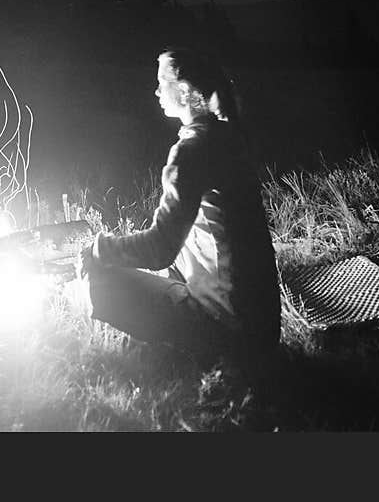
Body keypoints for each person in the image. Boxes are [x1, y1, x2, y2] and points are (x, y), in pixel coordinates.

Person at [79, 47, 280, 362]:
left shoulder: (191, 152)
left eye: (162, 82)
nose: (157, 90)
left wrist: (99, 249)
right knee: (150, 263)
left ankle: (183, 354)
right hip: (263, 330)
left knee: (102, 279)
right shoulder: (228, 136)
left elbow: (160, 249)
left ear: (184, 92)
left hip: (229, 333)